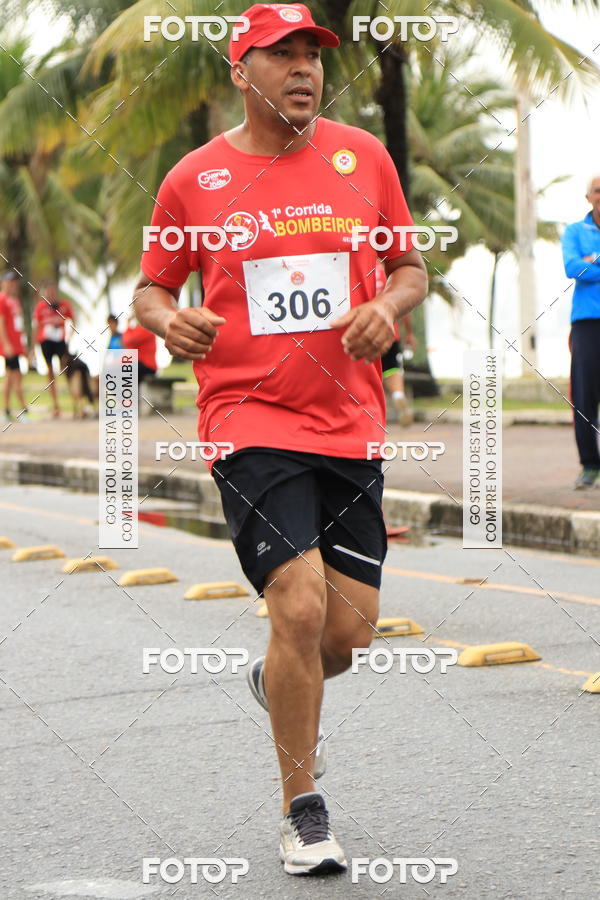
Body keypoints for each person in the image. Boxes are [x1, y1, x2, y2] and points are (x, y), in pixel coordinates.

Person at [133, 2, 427, 876]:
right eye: (281, 54)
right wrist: (170, 319)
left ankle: (279, 683)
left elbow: (410, 264)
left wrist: (385, 304)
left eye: (311, 54)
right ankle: (304, 812)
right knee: (294, 608)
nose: (302, 68)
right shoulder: (195, 179)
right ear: (240, 70)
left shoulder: (362, 158)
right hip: (248, 419)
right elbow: (149, 290)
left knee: (346, 637)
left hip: (349, 420)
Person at [561, 174, 600, 489]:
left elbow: (587, 268)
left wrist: (594, 261)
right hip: (587, 322)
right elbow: (573, 268)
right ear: (588, 197)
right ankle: (589, 465)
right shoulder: (575, 231)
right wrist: (588, 262)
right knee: (585, 396)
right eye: (597, 190)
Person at [376, 260, 417, 426]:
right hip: (390, 331)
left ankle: (373, 413)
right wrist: (409, 333)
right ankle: (398, 396)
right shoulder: (388, 272)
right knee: (392, 369)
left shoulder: (360, 268)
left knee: (371, 373)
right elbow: (403, 307)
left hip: (365, 329)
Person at [32, 281, 75, 418]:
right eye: (49, 292)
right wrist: (33, 348)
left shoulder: (64, 305)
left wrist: (70, 337)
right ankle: (56, 405)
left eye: (53, 292)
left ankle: (75, 402)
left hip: (60, 342)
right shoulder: (41, 307)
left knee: (67, 370)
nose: (51, 295)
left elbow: (73, 321)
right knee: (50, 372)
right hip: (46, 342)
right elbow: (36, 327)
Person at [0, 272, 29, 423]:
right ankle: (21, 411)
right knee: (13, 379)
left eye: (14, 282)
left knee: (13, 379)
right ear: (4, 283)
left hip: (17, 345)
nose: (12, 284)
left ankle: (8, 411)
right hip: (9, 346)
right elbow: (1, 323)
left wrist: (23, 346)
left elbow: (19, 325)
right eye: (9, 282)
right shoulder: (2, 299)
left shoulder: (15, 300)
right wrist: (6, 344)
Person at [121, 318, 157, 382]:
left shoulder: (145, 328)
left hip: (147, 365)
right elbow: (126, 341)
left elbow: (128, 340)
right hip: (141, 364)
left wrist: (128, 325)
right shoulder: (137, 330)